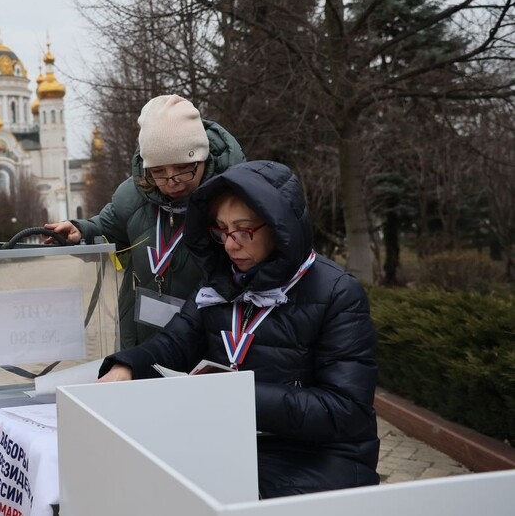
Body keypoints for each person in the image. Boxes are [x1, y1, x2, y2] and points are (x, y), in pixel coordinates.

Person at [98, 160, 380, 498]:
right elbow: (174, 342)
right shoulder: (219, 281)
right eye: (220, 230)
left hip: (318, 456)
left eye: (244, 230)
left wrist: (238, 395)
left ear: (280, 227)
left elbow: (345, 410)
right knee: (139, 486)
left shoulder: (337, 292)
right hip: (232, 440)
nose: (230, 245)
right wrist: (126, 366)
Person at [44, 94, 245, 347]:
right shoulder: (133, 195)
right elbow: (106, 228)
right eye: (158, 171)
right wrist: (80, 230)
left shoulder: (234, 195)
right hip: (143, 340)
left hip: (212, 341)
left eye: (183, 167)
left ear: (202, 157)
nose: (172, 180)